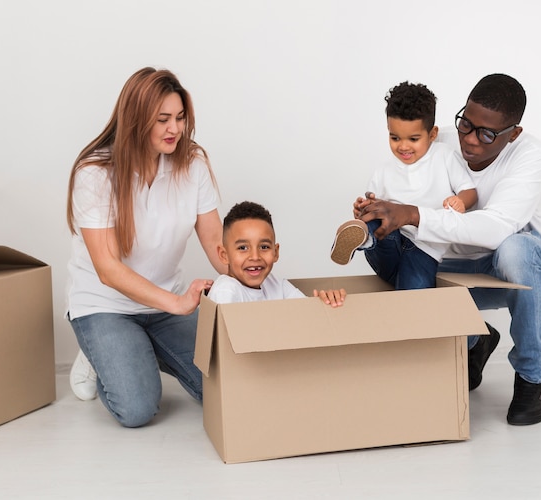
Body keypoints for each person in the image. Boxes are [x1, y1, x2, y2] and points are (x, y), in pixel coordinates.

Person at [355, 74, 541, 425]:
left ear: (513, 134)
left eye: (486, 133)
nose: (469, 139)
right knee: (412, 268)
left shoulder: (530, 154)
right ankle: (474, 338)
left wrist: (414, 214)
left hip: (525, 268)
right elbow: (403, 194)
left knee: (514, 249)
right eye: (465, 123)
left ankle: (532, 376)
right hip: (456, 269)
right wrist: (379, 212)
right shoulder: (437, 142)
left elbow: (496, 229)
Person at [65, 67, 227, 427]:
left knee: (228, 387)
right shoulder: (95, 173)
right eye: (163, 119)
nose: (176, 129)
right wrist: (178, 303)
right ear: (136, 120)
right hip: (106, 306)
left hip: (167, 305)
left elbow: (216, 241)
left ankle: (139, 345)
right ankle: (98, 353)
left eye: (181, 118)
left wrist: (255, 277)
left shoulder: (192, 164)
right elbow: (107, 268)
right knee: (137, 410)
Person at [329, 81, 477, 290]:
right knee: (378, 215)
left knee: (413, 294)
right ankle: (361, 236)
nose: (403, 146)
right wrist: (361, 211)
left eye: (413, 139)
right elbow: (372, 205)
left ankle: (367, 238)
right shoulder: (383, 171)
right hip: (387, 242)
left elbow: (470, 191)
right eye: (394, 137)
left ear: (432, 134)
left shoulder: (444, 156)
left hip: (425, 249)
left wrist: (461, 200)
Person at [208, 201, 346, 306]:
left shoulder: (275, 285)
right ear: (224, 255)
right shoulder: (226, 291)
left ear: (276, 252)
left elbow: (307, 315)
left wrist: (326, 302)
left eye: (264, 247)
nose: (255, 257)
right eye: (243, 248)